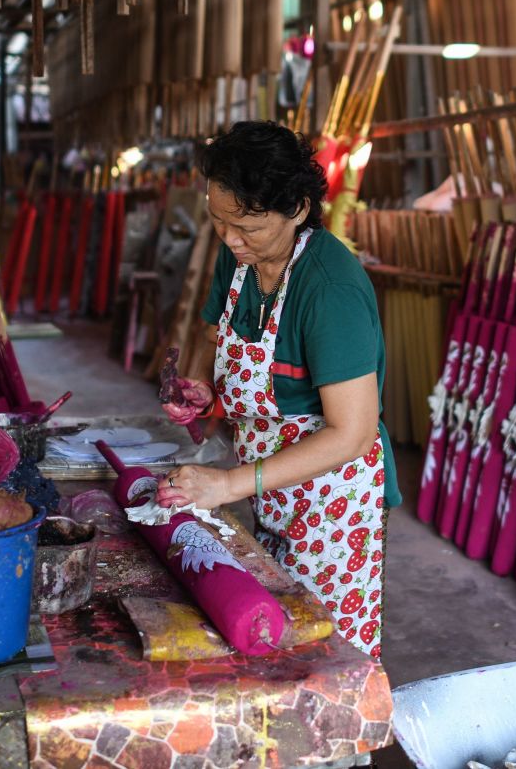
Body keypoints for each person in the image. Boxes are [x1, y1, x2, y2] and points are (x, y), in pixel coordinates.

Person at [159, 121, 399, 658]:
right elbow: (216, 331)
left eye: (247, 226)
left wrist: (227, 486)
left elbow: (353, 434)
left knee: (324, 652)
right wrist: (209, 394)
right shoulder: (240, 257)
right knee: (271, 624)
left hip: (332, 498)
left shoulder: (328, 287)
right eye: (218, 221)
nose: (230, 239)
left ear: (297, 209)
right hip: (267, 485)